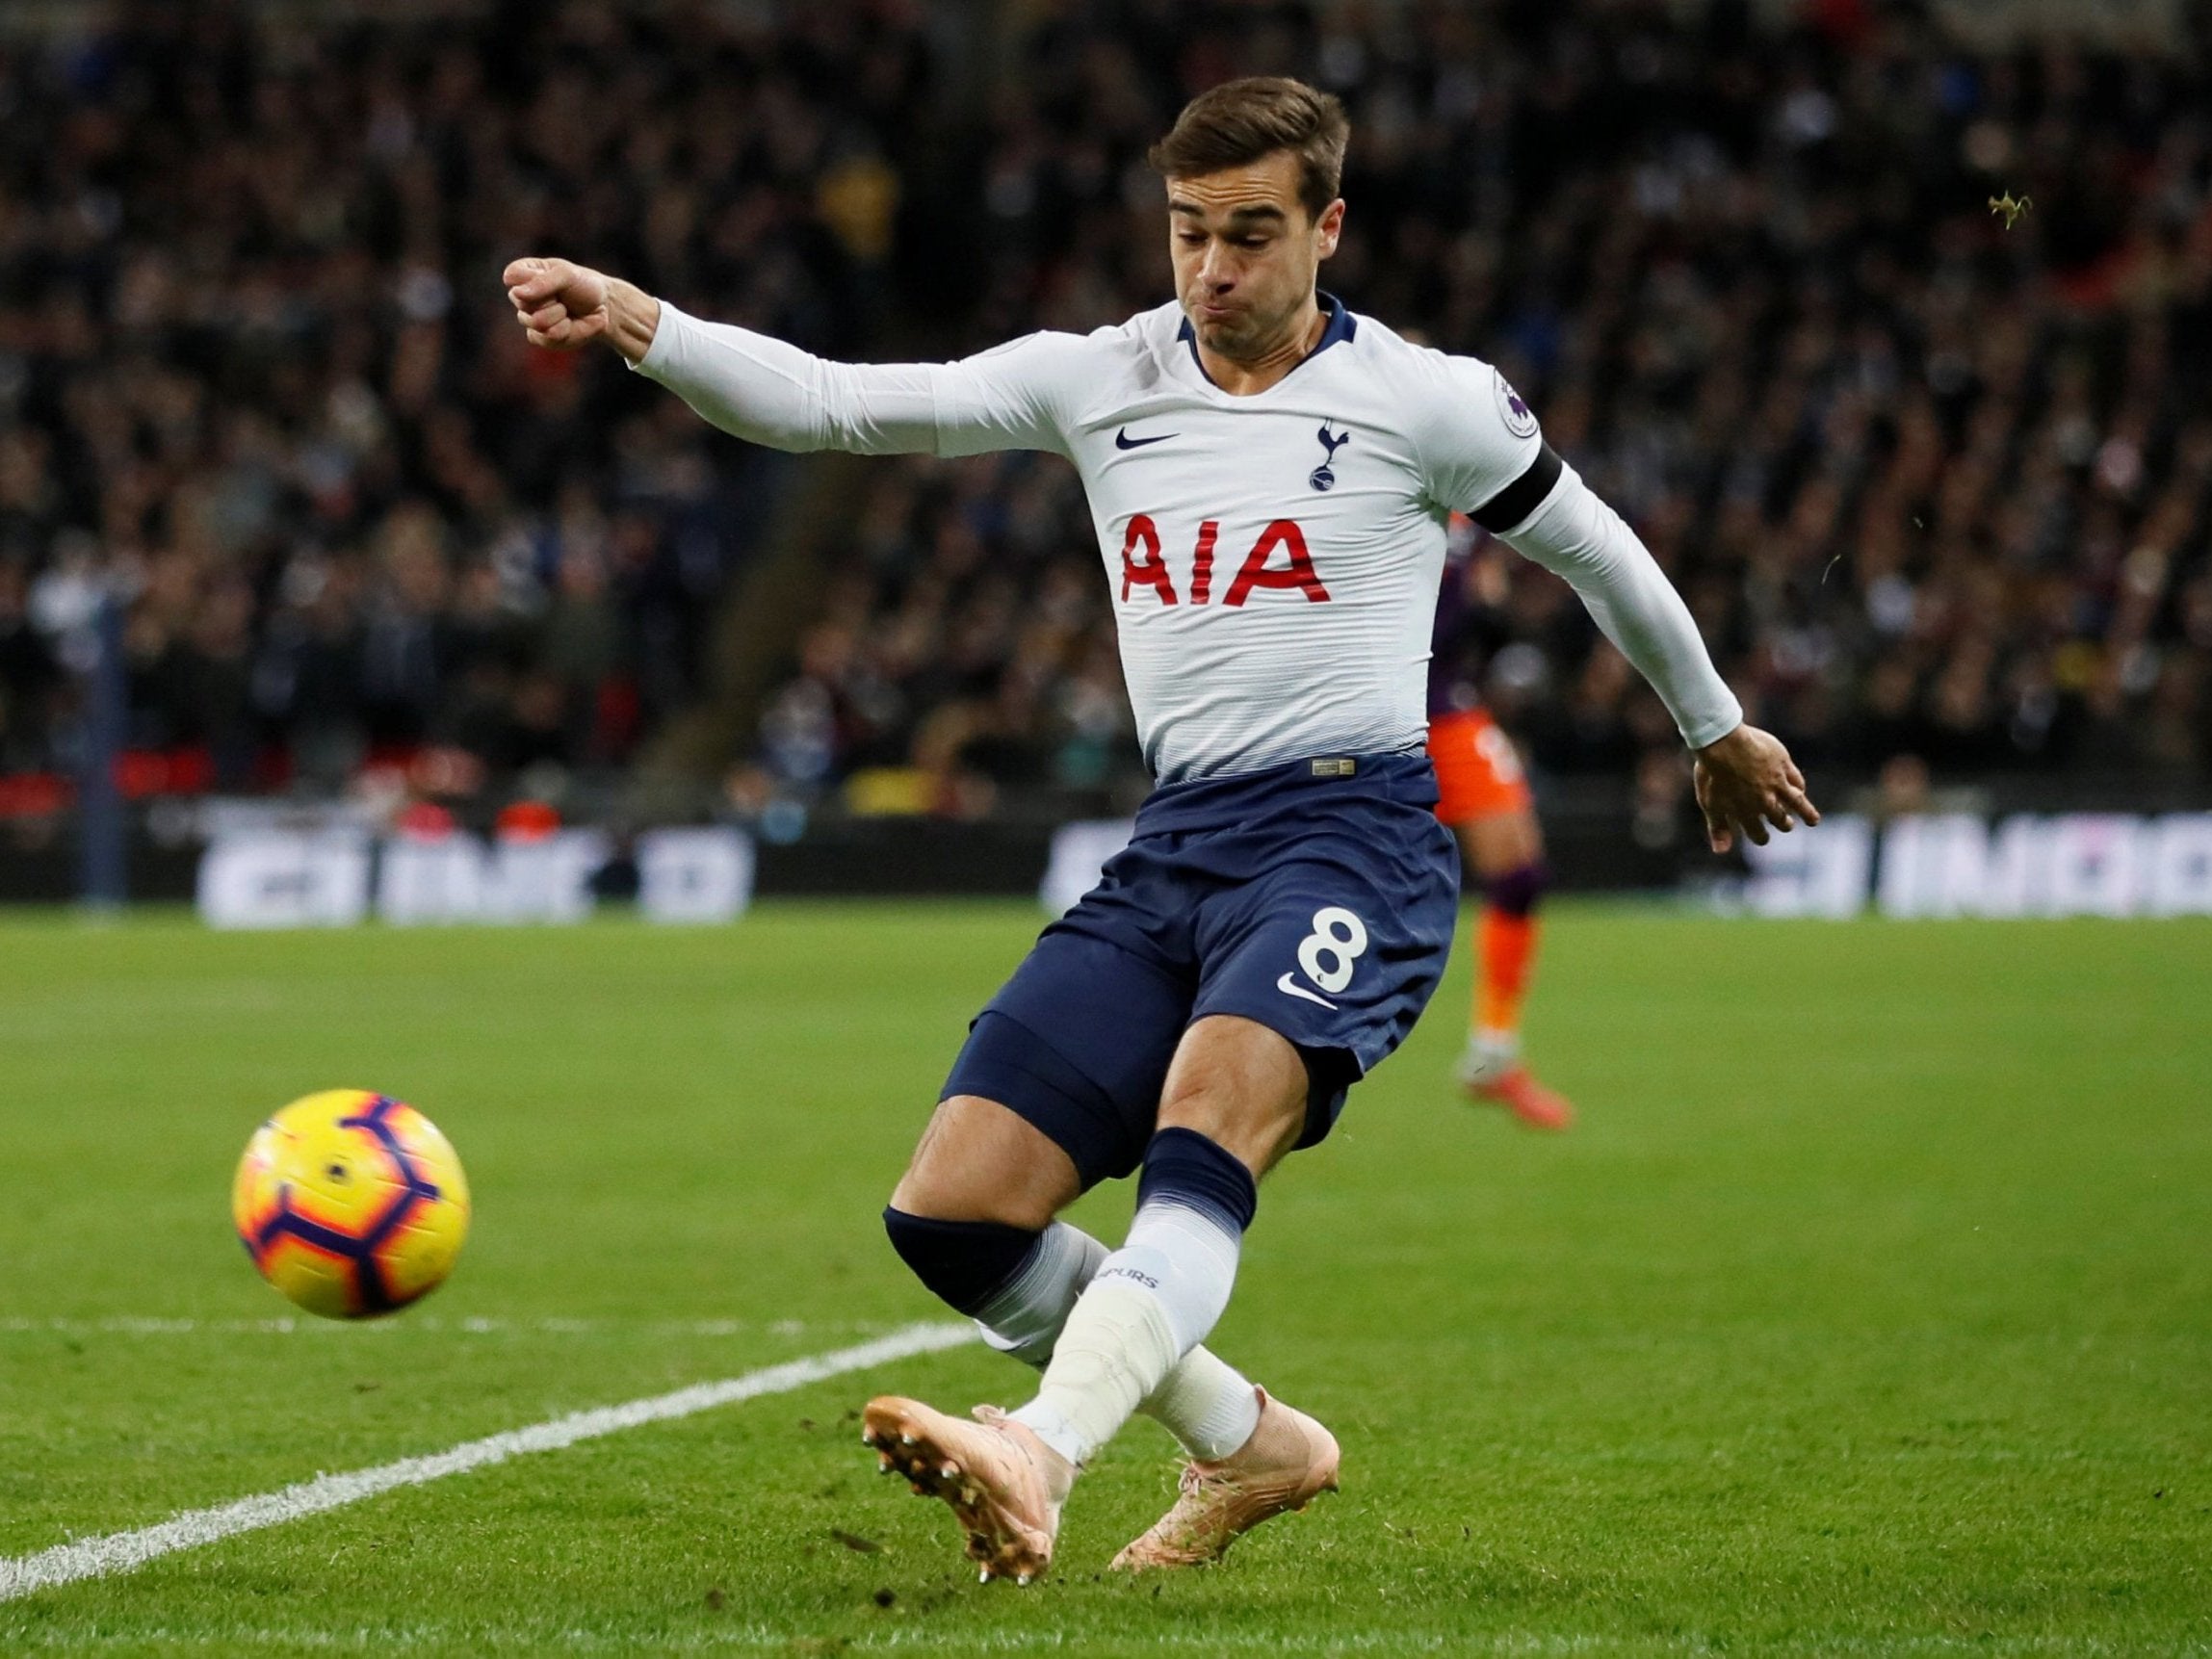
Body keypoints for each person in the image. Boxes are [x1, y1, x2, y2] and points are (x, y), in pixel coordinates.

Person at [504, 76, 1816, 1586]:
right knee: (951, 1210)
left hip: (1352, 839)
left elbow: (1597, 550)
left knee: (1210, 1112)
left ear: (1326, 228)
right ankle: (1249, 1437)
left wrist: (1712, 723)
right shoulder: (1099, 375)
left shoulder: (1424, 398)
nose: (1213, 269)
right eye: (1189, 232)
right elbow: (831, 404)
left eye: (1252, 234)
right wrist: (638, 319)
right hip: (1176, 846)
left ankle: (1039, 1452)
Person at [1428, 517, 1574, 1129]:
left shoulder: (1467, 507)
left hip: (1444, 705)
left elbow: (1482, 609)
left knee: (1518, 870)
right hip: (1386, 707)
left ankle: (1493, 1052)